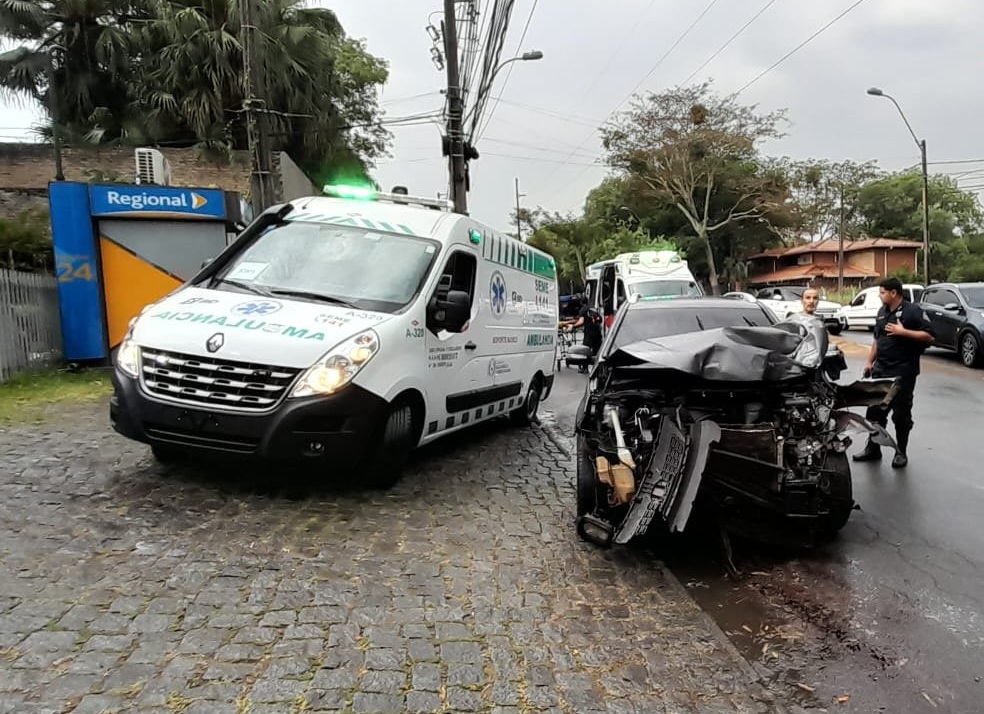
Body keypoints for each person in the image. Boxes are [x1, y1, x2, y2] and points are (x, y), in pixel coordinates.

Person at [853, 277, 935, 468]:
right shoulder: (882, 312)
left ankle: (901, 452)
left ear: (893, 293)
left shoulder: (912, 311)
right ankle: (873, 448)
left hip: (903, 372)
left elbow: (930, 337)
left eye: (882, 292)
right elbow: (877, 340)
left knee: (901, 415)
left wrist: (903, 332)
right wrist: (869, 361)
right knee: (874, 413)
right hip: (881, 371)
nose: (880, 296)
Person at [561, 300, 603, 373]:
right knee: (597, 351)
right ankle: (597, 369)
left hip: (589, 333)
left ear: (581, 303)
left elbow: (581, 322)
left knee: (585, 351)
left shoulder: (583, 309)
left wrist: (573, 326)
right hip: (597, 332)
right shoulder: (593, 308)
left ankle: (584, 368)